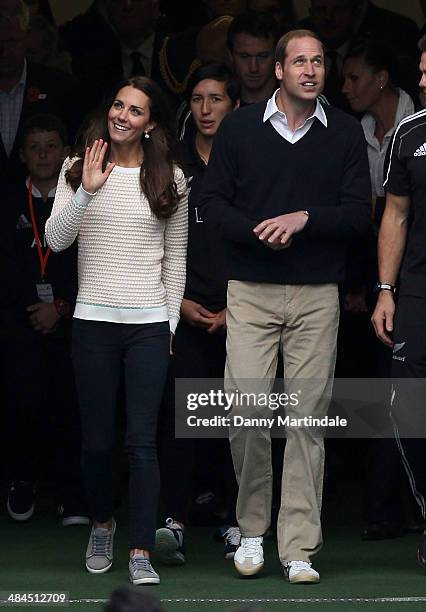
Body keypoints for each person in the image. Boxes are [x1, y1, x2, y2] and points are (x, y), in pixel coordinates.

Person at [199, 29, 371, 583]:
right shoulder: (241, 128)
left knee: (306, 419)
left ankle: (298, 545)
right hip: (249, 286)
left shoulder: (343, 132)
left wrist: (304, 219)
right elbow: (210, 203)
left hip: (317, 290)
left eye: (319, 61)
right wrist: (258, 231)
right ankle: (251, 531)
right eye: (299, 61)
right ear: (277, 70)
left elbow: (357, 213)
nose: (310, 70)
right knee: (245, 408)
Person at [45, 76, 188, 585]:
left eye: (136, 110)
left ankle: (141, 551)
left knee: (143, 442)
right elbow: (55, 241)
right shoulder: (76, 167)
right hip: (93, 323)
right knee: (99, 441)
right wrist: (86, 190)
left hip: (148, 325)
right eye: (118, 106)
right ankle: (102, 524)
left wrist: (169, 322)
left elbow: (176, 261)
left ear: (151, 124)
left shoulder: (170, 176)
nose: (123, 115)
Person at [157, 62, 241, 565]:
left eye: (216, 99)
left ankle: (239, 521)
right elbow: (157, 241)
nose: (205, 108)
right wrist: (179, 300)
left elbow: (262, 241)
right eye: (197, 99)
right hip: (185, 306)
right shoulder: (173, 162)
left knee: (242, 418)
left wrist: (239, 306)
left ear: (234, 105)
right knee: (180, 416)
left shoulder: (249, 160)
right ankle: (174, 521)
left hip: (242, 310)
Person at [342, 38, 416, 540]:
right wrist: (375, 286)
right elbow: (382, 212)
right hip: (396, 282)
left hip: (405, 277)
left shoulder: (409, 123)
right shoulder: (377, 133)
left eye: (353, 78)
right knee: (397, 399)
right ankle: (389, 507)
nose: (344, 88)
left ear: (381, 77)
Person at [0, 113, 87, 526]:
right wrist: (33, 309)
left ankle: (73, 492)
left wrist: (61, 306)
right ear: (22, 155)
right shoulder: (7, 201)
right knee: (22, 396)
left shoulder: (83, 198)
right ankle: (23, 479)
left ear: (66, 152)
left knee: (73, 402)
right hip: (21, 319)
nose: (43, 155)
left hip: (72, 316)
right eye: (34, 147)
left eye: (51, 146)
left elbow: (91, 261)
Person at [371, 34, 426, 570]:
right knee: (407, 409)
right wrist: (385, 290)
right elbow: (395, 214)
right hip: (417, 293)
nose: (424, 81)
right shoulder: (411, 133)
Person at [0, 0, 82, 187]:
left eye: (12, 41)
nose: (4, 52)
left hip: (46, 203)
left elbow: (76, 152)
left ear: (26, 37)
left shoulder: (60, 87)